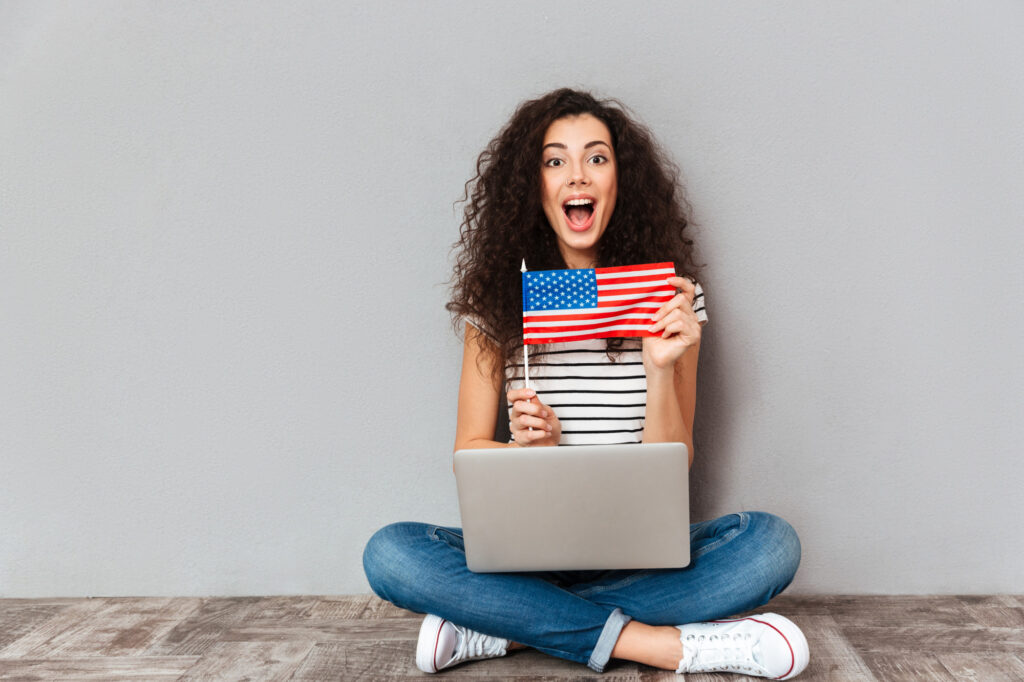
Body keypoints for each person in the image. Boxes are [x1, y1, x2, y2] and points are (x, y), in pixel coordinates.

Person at [362, 88, 809, 678]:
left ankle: (506, 629)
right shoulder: (498, 306)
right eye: (555, 160)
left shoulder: (674, 302)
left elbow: (675, 462)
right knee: (390, 554)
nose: (578, 174)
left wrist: (659, 367)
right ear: (534, 186)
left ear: (621, 181)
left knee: (771, 545)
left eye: (596, 158)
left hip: (643, 560)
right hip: (529, 562)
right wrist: (532, 454)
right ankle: (663, 646)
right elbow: (467, 452)